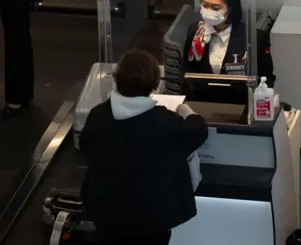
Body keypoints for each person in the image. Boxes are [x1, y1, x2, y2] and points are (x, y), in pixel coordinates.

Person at [80, 49, 208, 245]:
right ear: (155, 85)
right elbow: (197, 131)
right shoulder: (165, 122)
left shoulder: (98, 115)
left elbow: (86, 148)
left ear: (117, 78)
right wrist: (187, 111)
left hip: (107, 213)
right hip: (151, 219)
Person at [182, 0, 275, 104]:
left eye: (215, 8)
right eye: (205, 5)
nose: (208, 11)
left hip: (241, 107)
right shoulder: (195, 33)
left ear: (229, 9)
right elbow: (187, 74)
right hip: (202, 107)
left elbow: (266, 79)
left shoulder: (254, 38)